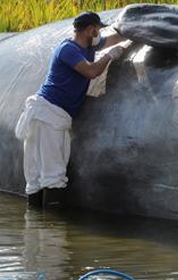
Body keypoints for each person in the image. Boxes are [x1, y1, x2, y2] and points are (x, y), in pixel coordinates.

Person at [14, 11, 127, 208]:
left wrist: (132, 32)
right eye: (97, 29)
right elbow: (91, 71)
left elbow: (113, 39)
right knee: (51, 174)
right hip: (47, 115)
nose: (99, 33)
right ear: (89, 30)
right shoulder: (68, 49)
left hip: (51, 115)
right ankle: (51, 231)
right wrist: (109, 57)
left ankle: (36, 228)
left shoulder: (90, 44)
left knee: (41, 174)